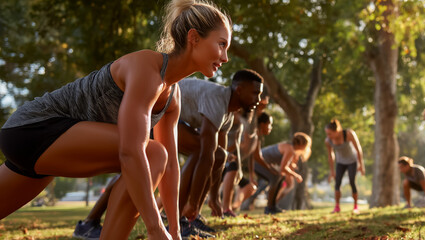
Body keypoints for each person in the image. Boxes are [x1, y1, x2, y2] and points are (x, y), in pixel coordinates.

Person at [0, 0, 231, 239]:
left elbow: (171, 167)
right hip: (35, 129)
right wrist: (155, 228)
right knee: (152, 154)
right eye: (221, 44)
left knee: (159, 155)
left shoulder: (173, 95)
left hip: (41, 145)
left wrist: (174, 230)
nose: (225, 57)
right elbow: (131, 152)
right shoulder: (147, 69)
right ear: (194, 38)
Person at [71, 69, 264, 239]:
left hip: (171, 117)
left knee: (216, 154)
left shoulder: (228, 114)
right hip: (155, 110)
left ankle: (185, 219)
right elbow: (206, 155)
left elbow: (216, 158)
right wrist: (195, 202)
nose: (258, 99)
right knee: (198, 151)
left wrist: (214, 198)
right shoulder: (218, 98)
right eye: (255, 93)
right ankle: (181, 219)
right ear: (239, 89)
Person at [252, 132, 312, 214]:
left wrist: (292, 166)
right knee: (275, 178)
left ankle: (272, 207)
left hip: (260, 163)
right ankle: (270, 207)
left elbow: (284, 164)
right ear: (302, 144)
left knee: (279, 178)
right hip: (257, 162)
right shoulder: (290, 149)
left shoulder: (288, 146)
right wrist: (296, 175)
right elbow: (283, 168)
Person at [325, 119, 365, 214]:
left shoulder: (348, 134)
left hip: (352, 161)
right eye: (327, 134)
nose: (328, 136)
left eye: (330, 133)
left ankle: (356, 206)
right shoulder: (328, 141)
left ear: (337, 131)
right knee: (337, 183)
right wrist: (332, 171)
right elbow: (331, 156)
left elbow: (358, 149)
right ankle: (337, 207)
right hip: (340, 162)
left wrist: (361, 165)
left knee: (352, 181)